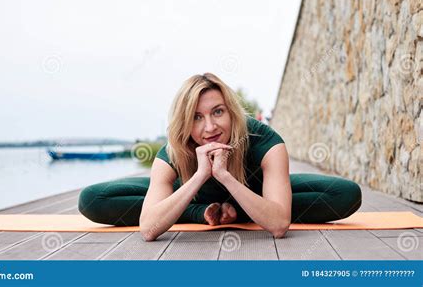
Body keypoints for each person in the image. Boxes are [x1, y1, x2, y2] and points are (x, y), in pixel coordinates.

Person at [78, 73, 362, 241]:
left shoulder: (264, 140)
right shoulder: (174, 150)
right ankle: (202, 212)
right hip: (188, 195)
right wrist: (200, 177)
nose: (210, 127)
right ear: (185, 122)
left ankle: (239, 209)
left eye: (217, 112)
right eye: (197, 117)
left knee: (344, 194)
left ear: (231, 112)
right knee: (92, 199)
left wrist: (226, 178)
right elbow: (149, 229)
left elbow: (277, 226)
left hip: (253, 193)